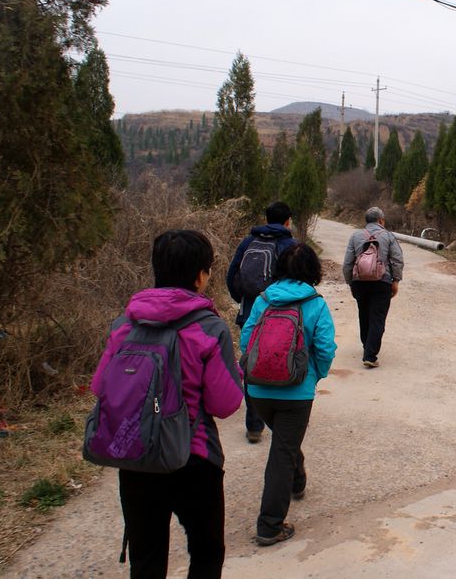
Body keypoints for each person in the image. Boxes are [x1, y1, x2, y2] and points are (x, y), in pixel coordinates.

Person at [91, 230, 243, 578]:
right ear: (200, 276)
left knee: (146, 559)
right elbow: (225, 404)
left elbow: (101, 387)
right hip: (194, 460)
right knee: (206, 554)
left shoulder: (123, 325)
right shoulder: (209, 327)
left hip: (137, 458)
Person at [240, 243, 337, 547]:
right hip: (296, 393)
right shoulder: (316, 303)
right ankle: (269, 526)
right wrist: (313, 376)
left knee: (284, 441)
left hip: (258, 390)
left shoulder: (263, 300)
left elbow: (246, 339)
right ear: (313, 271)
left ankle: (297, 480)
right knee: (282, 451)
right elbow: (324, 349)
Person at [226, 201, 297, 443]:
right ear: (287, 221)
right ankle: (280, 415)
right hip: (281, 316)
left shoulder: (248, 242)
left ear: (266, 218)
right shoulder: (289, 244)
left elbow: (232, 274)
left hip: (249, 312)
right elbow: (297, 281)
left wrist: (243, 299)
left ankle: (254, 425)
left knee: (251, 363)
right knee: (282, 359)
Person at [341, 206, 404, 368]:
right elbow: (397, 260)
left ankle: (367, 346)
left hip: (359, 282)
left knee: (364, 314)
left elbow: (347, 263)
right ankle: (370, 355)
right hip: (382, 282)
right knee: (378, 317)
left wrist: (350, 282)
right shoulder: (389, 236)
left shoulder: (355, 236)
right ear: (381, 220)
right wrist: (395, 280)